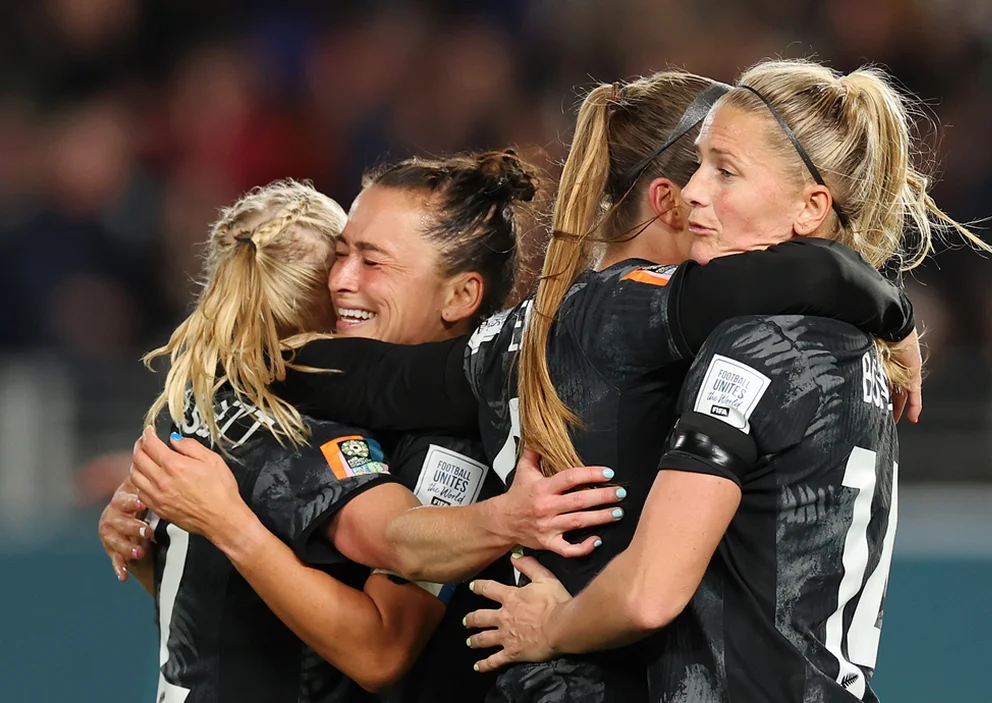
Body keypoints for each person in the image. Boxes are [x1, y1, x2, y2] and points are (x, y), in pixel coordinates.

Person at [130, 69, 921, 703]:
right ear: (664, 198)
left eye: (728, 170)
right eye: (702, 169)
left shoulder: (529, 332)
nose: (707, 197)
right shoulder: (701, 325)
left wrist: (234, 367)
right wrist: (891, 309)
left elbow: (380, 382)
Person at [462, 59, 992, 703]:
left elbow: (649, 593)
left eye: (725, 170)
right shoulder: (861, 350)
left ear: (810, 207)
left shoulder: (749, 347)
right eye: (696, 165)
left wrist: (550, 627)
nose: (693, 192)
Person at [108, 154, 626, 702]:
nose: (340, 281)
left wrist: (229, 525)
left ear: (460, 296)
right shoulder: (303, 391)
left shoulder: (452, 441)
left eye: (372, 263)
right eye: (340, 254)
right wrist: (167, 542)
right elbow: (270, 614)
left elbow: (380, 649)